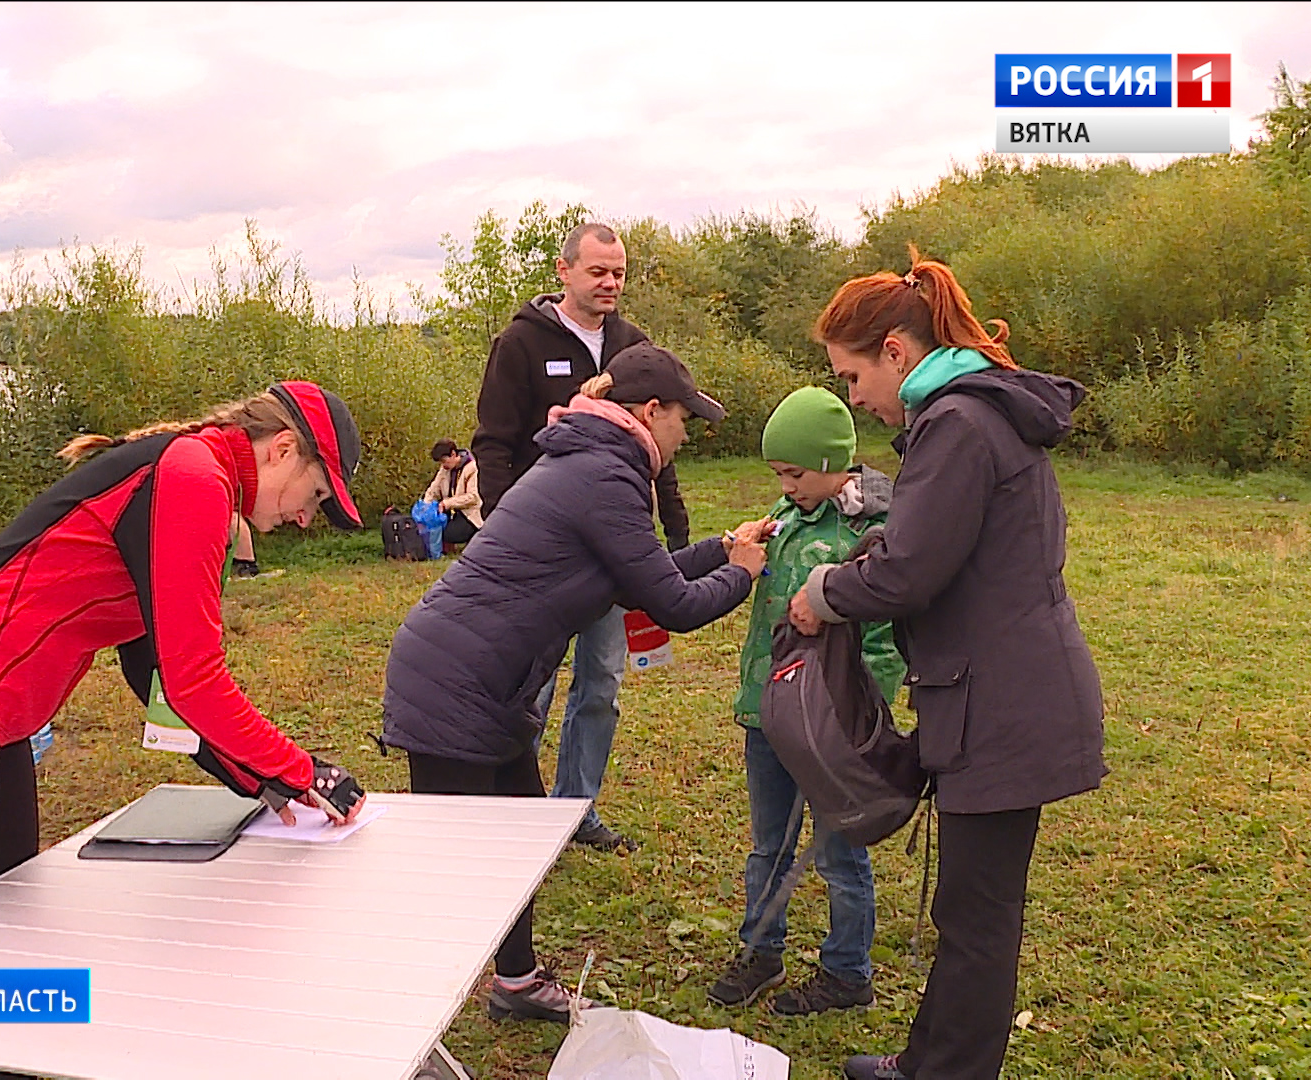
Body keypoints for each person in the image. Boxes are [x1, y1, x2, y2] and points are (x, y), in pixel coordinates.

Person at [0, 381, 372, 958]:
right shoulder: (195, 479)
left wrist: (261, 779)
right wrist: (303, 771)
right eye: (316, 493)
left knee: (5, 933)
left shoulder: (197, 475)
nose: (306, 518)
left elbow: (154, 674)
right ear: (281, 449)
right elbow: (193, 680)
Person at [785, 252, 1106, 1080]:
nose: (852, 395)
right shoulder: (963, 419)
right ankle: (928, 1061)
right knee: (968, 906)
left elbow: (909, 574)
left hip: (1006, 703)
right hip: (996, 693)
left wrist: (824, 591)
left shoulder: (958, 425)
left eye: (852, 374)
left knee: (978, 915)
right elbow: (929, 541)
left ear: (896, 351)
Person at [383, 344, 767, 1024]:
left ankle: (518, 984)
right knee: (458, 866)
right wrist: (741, 573)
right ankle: (403, 1016)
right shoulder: (605, 475)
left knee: (520, 842)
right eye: (684, 419)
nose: (687, 434)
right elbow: (673, 604)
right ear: (650, 412)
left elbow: (641, 575)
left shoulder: (590, 461)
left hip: (483, 682)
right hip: (456, 683)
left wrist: (722, 547)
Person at [469, 221, 693, 854]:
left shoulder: (633, 346)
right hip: (543, 556)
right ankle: (522, 815)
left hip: (615, 547)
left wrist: (673, 530)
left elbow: (659, 449)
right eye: (597, 271)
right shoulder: (519, 344)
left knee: (602, 681)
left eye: (618, 272)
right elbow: (492, 442)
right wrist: (514, 527)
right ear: (564, 272)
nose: (610, 283)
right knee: (531, 684)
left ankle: (577, 811)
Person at [707, 386, 906, 1016]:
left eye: (793, 472)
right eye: (778, 475)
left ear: (830, 462)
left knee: (841, 850)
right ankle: (761, 952)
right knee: (769, 844)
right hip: (769, 714)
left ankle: (847, 972)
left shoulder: (872, 530)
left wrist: (860, 709)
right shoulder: (786, 515)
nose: (784, 485)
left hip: (831, 725)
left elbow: (885, 636)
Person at [422, 438, 482, 547]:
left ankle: (474, 534)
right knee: (433, 526)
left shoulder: (472, 468)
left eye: (444, 461)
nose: (443, 465)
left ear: (453, 454)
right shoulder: (445, 469)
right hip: (451, 511)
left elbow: (472, 497)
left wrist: (447, 503)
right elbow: (434, 488)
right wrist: (425, 505)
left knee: (448, 534)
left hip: (468, 513)